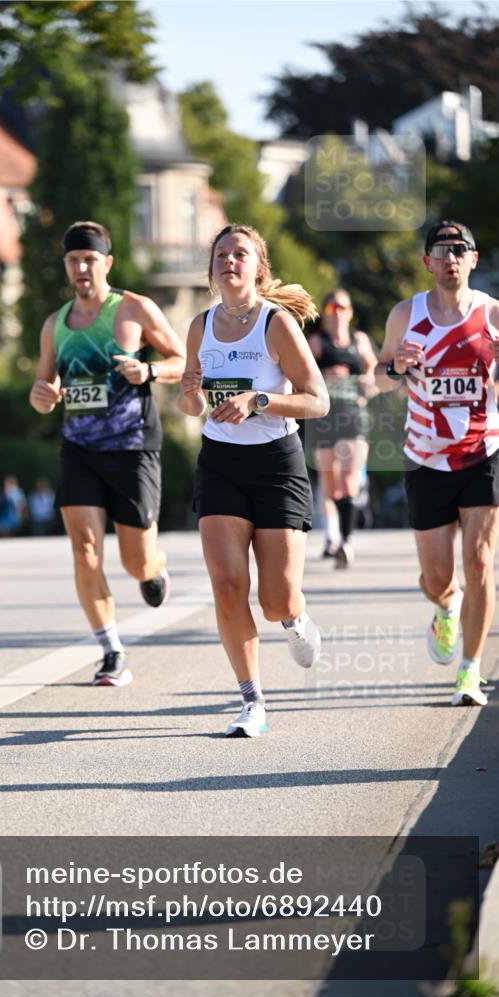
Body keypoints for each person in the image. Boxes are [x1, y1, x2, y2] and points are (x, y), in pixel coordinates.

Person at [178, 224, 329, 737]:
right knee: (226, 586)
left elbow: (318, 399)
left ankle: (294, 620)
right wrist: (190, 394)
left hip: (276, 465)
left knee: (277, 599)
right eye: (221, 253)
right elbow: (191, 401)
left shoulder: (276, 324)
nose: (229, 261)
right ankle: (252, 701)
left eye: (240, 253)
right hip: (220, 462)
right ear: (212, 268)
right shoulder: (199, 325)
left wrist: (259, 400)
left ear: (257, 267)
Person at [29, 220, 185, 686]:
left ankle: (154, 569)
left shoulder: (134, 309)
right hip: (79, 449)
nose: (81, 268)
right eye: (74, 260)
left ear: (107, 264)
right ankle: (111, 649)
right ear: (66, 266)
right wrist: (42, 396)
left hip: (132, 447)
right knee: (85, 549)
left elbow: (182, 360)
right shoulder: (54, 324)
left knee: (135, 561)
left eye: (90, 260)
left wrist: (150, 371)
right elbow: (43, 386)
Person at [377, 220, 499, 708]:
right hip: (426, 457)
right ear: (427, 262)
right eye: (440, 250)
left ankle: (469, 672)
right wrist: (398, 367)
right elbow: (381, 377)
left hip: (482, 451)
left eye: (460, 250)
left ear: (472, 259)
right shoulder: (407, 314)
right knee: (437, 579)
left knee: (482, 563)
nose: (450, 257)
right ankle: (446, 607)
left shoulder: (492, 313)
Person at [307, 289, 377, 567]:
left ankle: (345, 542)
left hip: (353, 416)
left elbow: (374, 372)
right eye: (332, 308)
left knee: (348, 478)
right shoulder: (316, 343)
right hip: (324, 417)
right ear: (324, 314)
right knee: (329, 484)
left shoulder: (359, 342)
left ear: (350, 312)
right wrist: (323, 377)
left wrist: (364, 381)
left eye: (343, 308)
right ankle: (332, 537)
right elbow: (301, 374)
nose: (338, 313)